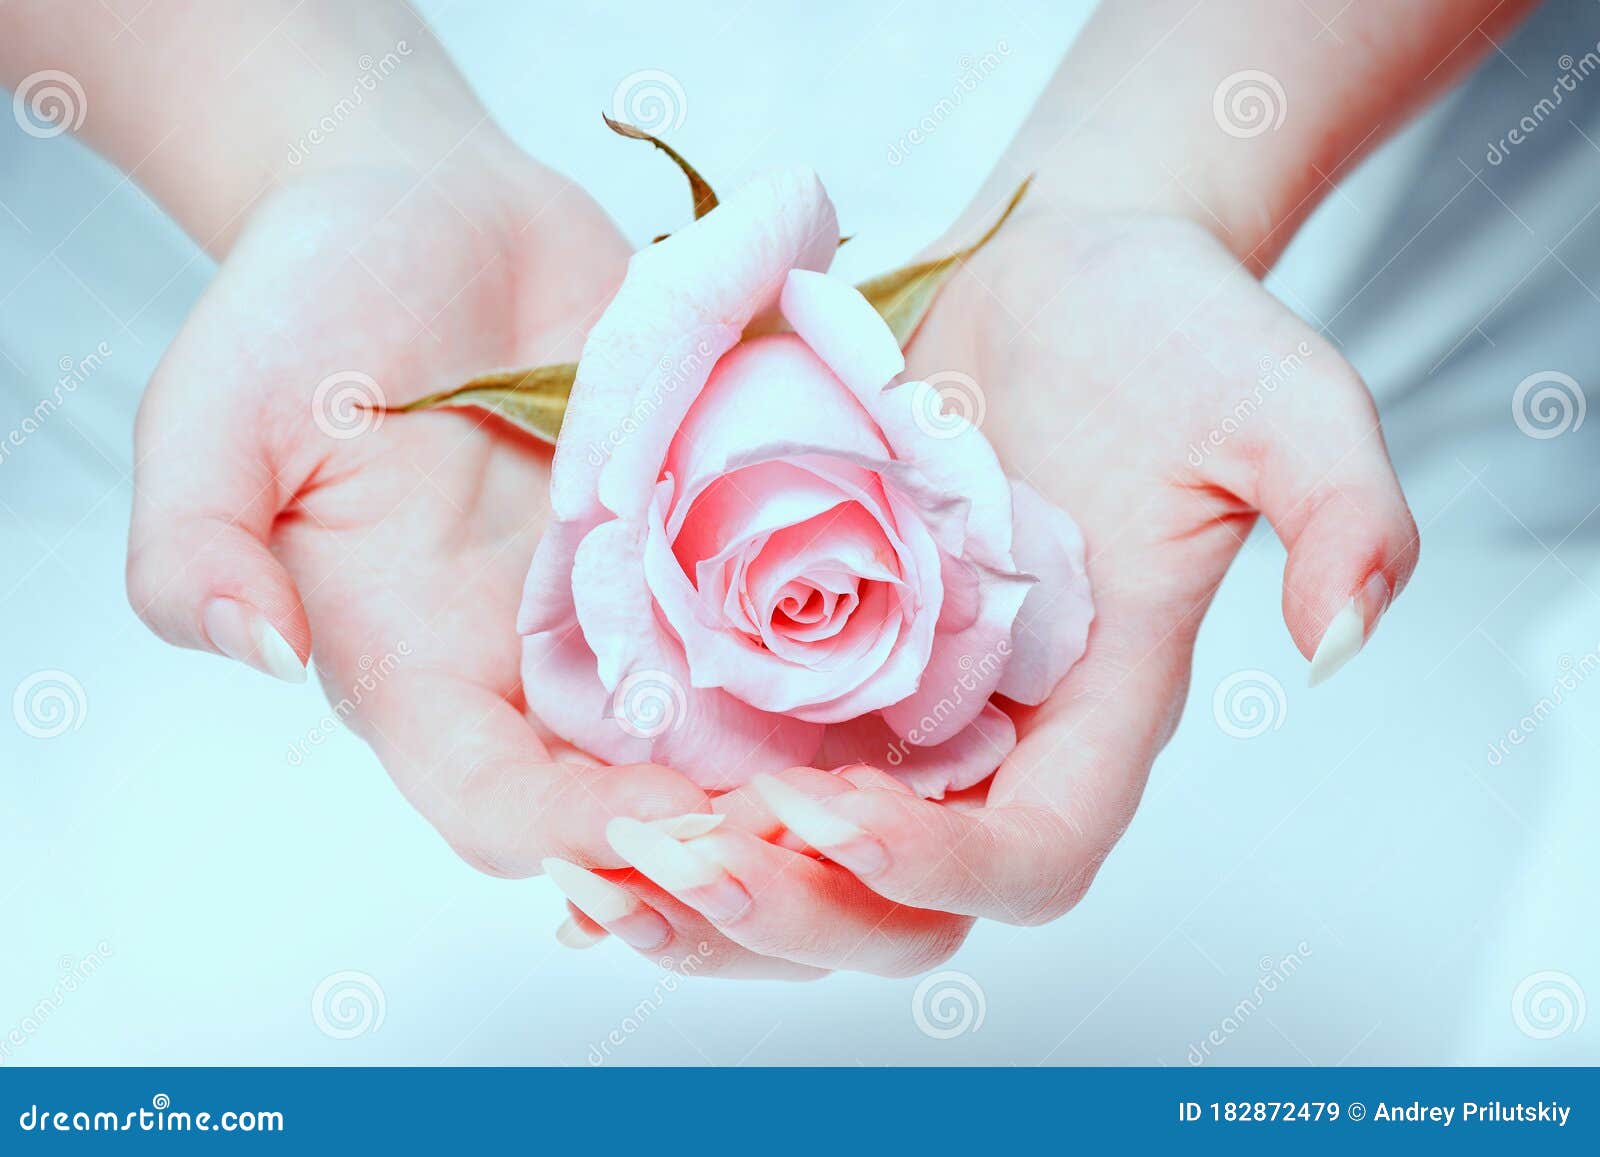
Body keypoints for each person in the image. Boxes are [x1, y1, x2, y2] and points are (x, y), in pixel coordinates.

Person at [0, 0, 1540, 978]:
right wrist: (299, 146)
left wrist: (1182, 167)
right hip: (199, 493)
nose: (816, 600)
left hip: (1424, 401)